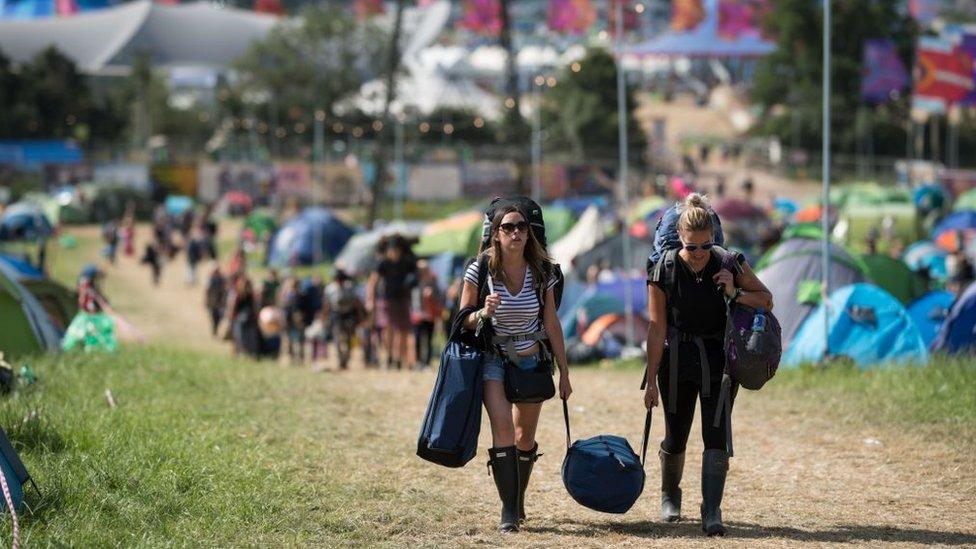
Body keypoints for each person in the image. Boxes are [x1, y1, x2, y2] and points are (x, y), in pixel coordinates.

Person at [644, 193, 773, 536]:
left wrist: (735, 293)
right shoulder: (664, 268)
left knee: (715, 435)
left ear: (713, 240)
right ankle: (670, 495)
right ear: (679, 241)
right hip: (676, 362)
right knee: (676, 435)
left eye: (705, 246)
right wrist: (651, 378)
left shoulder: (729, 262)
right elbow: (656, 328)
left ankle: (711, 508)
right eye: (691, 247)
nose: (699, 254)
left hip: (719, 362)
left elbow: (766, 299)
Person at [457, 204, 572, 533]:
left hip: (532, 358)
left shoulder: (543, 272)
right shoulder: (480, 270)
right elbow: (462, 318)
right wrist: (482, 313)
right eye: (508, 227)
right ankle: (508, 510)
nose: (516, 232)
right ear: (495, 234)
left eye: (521, 226)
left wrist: (564, 371)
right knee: (504, 430)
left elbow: (551, 322)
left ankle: (517, 497)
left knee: (525, 438)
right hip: (494, 357)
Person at [366, 235, 417, 370]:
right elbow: (373, 282)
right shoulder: (383, 263)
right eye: (392, 250)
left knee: (402, 330)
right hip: (388, 300)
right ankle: (389, 356)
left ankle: (399, 358)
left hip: (403, 299)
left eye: (396, 251)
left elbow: (416, 276)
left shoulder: (407, 262)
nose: (394, 253)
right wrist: (371, 300)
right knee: (389, 329)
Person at [324, 269, 365, 370]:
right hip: (336, 314)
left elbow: (356, 302)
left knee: (349, 337)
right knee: (337, 337)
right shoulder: (330, 289)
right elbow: (327, 304)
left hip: (348, 314)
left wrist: (360, 315)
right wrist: (324, 316)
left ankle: (347, 358)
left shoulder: (350, 288)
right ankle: (340, 358)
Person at [412, 260, 443, 370]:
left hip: (430, 315)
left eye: (424, 270)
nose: (422, 272)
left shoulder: (433, 282)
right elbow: (412, 298)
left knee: (429, 339)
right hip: (417, 315)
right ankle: (418, 362)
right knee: (417, 339)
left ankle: (427, 363)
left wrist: (432, 294)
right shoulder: (414, 281)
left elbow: (440, 297)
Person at [228, 275, 260, 357]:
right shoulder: (238, 295)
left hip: (246, 320)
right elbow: (233, 308)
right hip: (240, 321)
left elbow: (254, 307)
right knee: (241, 338)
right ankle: (243, 353)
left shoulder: (249, 295)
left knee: (246, 338)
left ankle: (247, 354)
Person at [204, 266, 227, 336]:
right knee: (214, 317)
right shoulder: (210, 279)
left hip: (219, 303)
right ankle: (214, 330)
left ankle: (215, 329)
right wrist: (206, 301)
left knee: (219, 317)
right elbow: (207, 291)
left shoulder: (222, 279)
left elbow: (225, 290)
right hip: (212, 302)